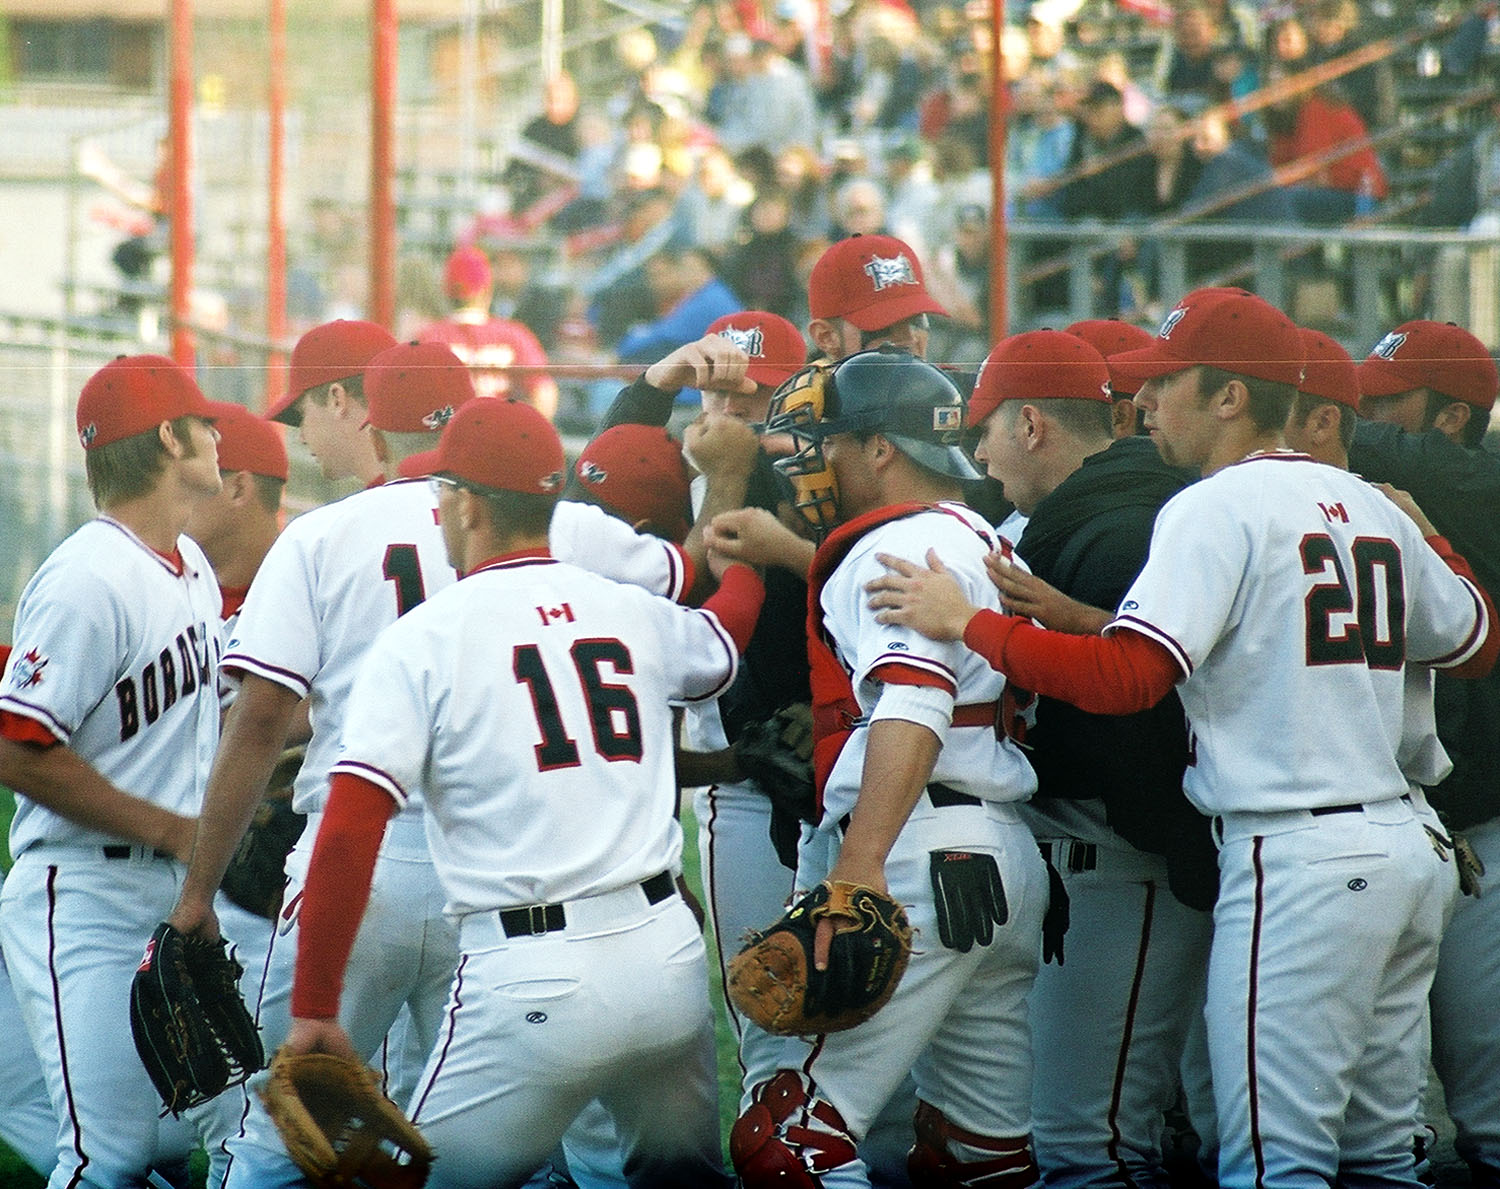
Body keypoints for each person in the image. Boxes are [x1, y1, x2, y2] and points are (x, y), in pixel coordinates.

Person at [865, 288, 1499, 1189]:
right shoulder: (1365, 501)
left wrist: (970, 623)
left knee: (1276, 1165)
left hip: (1301, 856)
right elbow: (1475, 642)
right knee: (1380, 1159)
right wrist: (1433, 537)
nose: (1147, 403)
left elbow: (1129, 681)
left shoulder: (1214, 504)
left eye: (1168, 383)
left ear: (1232, 396)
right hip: (1405, 850)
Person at [284, 397, 764, 1188]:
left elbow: (346, 831)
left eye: (443, 493)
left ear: (467, 504)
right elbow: (723, 638)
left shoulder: (424, 640)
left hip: (531, 979)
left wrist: (313, 1010)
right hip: (666, 962)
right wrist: (748, 559)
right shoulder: (625, 607)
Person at [730, 348, 1049, 1189]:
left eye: (829, 440)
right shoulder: (982, 535)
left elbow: (916, 700)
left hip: (917, 849)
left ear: (880, 449)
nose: (814, 461)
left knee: (788, 1140)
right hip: (1002, 853)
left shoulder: (898, 545)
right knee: (979, 1155)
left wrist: (859, 868)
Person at [964, 330, 1211, 1189]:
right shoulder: (1109, 509)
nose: (978, 455)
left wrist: (1159, 848)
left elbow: (1146, 721)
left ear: (1031, 424)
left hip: (1123, 861)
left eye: (983, 432)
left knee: (1090, 1144)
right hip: (1117, 862)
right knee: (1103, 1131)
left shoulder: (1121, 528)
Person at [0, 355, 237, 1188]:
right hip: (84, 895)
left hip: (169, 893)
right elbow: (17, 748)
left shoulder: (192, 568)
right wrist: (176, 830)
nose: (218, 434)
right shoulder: (87, 575)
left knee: (202, 1141)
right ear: (169, 436)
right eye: (203, 422)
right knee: (110, 1157)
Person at [1347, 319, 1500, 1189]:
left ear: (1448, 418)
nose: (1363, 413)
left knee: (1490, 1116)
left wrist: (1310, 410)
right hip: (1405, 832)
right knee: (1382, 1126)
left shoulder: (1476, 481)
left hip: (1485, 821)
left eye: (1384, 399)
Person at [418, 246, 560, 419]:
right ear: (487, 290)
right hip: (499, 436)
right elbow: (544, 395)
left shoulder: (428, 337)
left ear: (446, 293)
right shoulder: (513, 335)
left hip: (448, 438)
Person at [265, 318, 397, 489]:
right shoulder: (438, 490)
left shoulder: (358, 514)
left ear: (337, 400)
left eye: (301, 416)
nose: (302, 438)